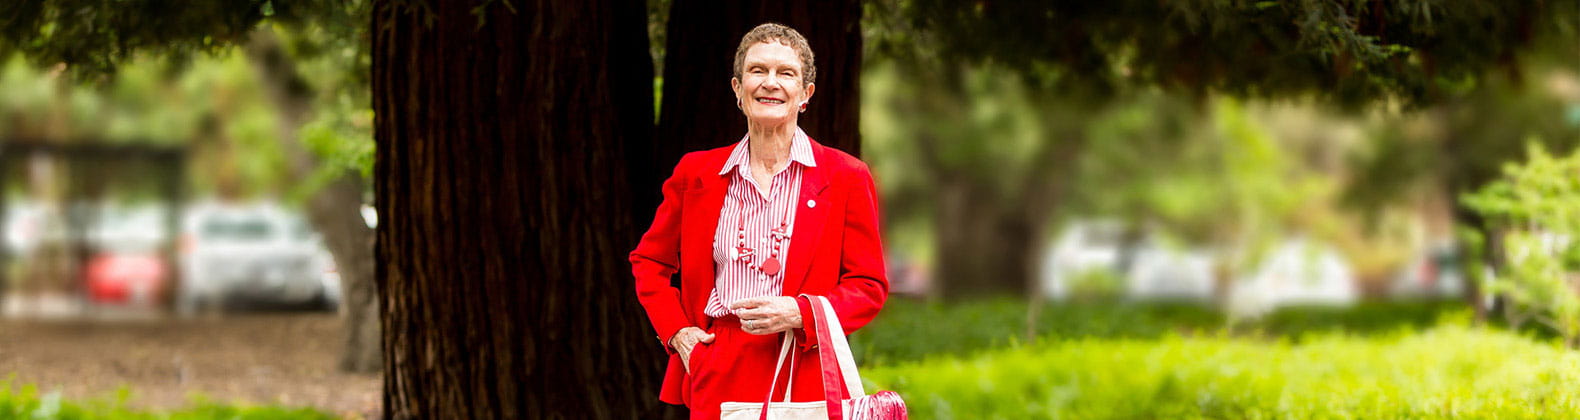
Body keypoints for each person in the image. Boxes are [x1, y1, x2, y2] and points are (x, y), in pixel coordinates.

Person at [629, 22, 889, 419]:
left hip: (804, 367)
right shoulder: (695, 173)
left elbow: (868, 286)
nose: (771, 83)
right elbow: (649, 262)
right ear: (738, 89)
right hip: (716, 363)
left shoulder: (845, 176)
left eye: (786, 73)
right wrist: (678, 333)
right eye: (757, 71)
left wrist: (800, 312)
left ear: (805, 95)